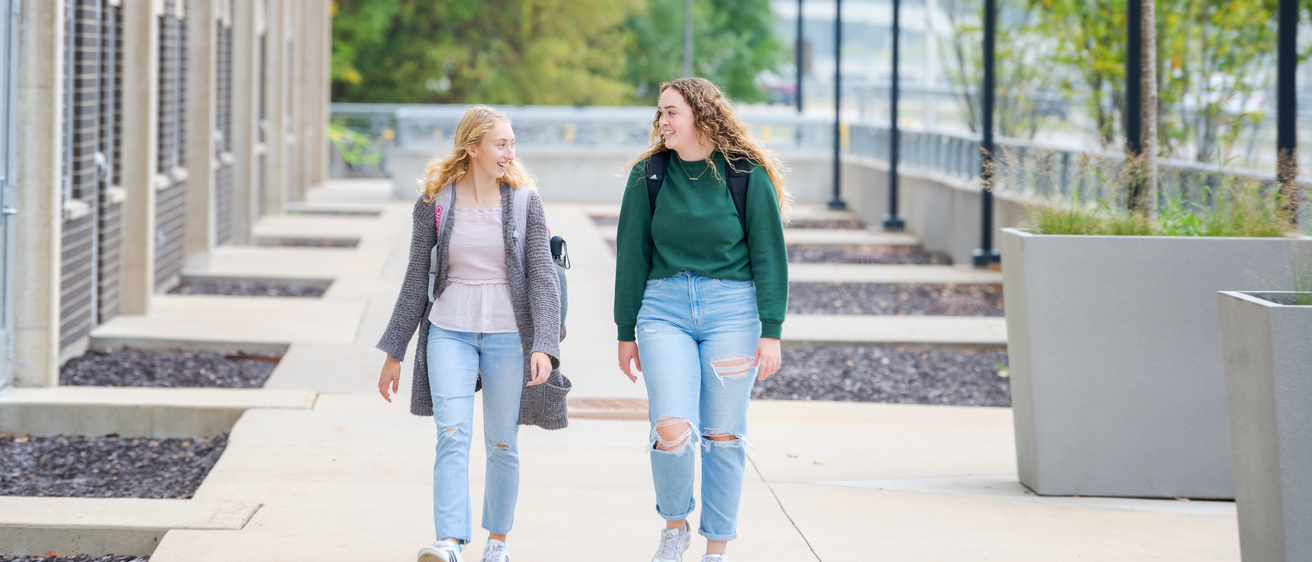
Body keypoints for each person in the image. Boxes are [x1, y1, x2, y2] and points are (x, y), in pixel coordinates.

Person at [614, 77, 792, 562]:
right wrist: (624, 330)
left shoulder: (745, 175)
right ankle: (675, 527)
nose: (662, 122)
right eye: (659, 113)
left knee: (723, 434)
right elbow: (632, 256)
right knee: (671, 427)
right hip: (663, 310)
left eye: (671, 112)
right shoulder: (647, 175)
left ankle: (716, 550)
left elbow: (769, 257)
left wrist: (771, 330)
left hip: (733, 311)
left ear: (700, 115)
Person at [376, 105, 565, 562]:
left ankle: (496, 543)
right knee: (452, 432)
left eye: (512, 143)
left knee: (502, 442)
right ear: (473, 148)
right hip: (449, 330)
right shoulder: (437, 202)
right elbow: (415, 276)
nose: (510, 152)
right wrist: (394, 351)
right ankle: (450, 542)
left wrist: (545, 344)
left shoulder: (524, 200)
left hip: (507, 336)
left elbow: (542, 275)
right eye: (501, 144)